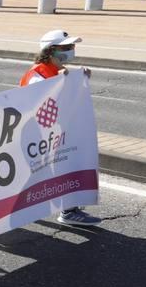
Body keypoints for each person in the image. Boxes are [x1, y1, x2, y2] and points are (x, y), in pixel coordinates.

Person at [20, 30, 101, 228]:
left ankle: (68, 209)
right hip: (39, 136)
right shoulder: (38, 75)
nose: (72, 50)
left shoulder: (57, 71)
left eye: (72, 47)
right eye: (66, 47)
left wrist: (75, 80)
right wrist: (65, 82)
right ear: (51, 50)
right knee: (33, 174)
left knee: (64, 167)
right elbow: (39, 103)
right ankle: (20, 208)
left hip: (54, 134)